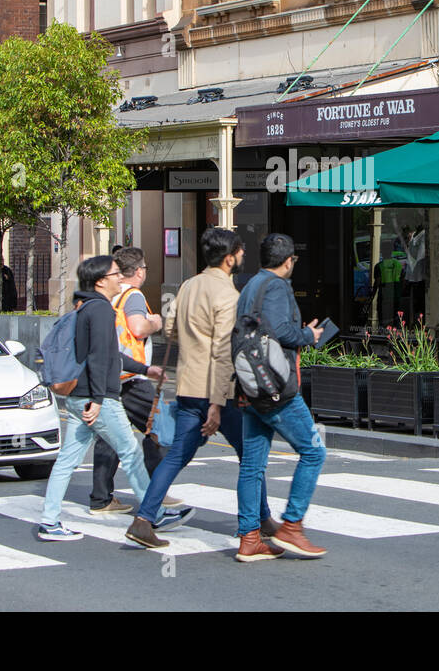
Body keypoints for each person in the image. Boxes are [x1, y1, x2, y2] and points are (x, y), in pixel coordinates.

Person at [125, 228, 275, 549]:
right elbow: (224, 352)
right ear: (229, 256)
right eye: (239, 251)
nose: (242, 256)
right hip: (218, 392)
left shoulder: (188, 285)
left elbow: (169, 330)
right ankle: (257, 522)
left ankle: (144, 518)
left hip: (188, 383)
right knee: (250, 455)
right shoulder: (229, 295)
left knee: (178, 454)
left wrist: (194, 342)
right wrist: (218, 405)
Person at [36, 255, 194, 541]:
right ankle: (154, 514)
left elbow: (110, 355)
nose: (120, 278)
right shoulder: (100, 310)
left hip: (78, 395)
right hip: (98, 398)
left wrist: (145, 369)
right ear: (100, 281)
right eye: (115, 274)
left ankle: (49, 521)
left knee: (67, 460)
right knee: (131, 454)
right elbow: (99, 358)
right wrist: (98, 399)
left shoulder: (86, 307)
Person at [234, 233, 328, 562]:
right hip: (275, 388)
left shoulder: (250, 286)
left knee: (252, 466)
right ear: (288, 261)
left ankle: (249, 538)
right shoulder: (276, 287)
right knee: (314, 451)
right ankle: (292, 525)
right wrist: (309, 335)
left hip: (251, 385)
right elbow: (279, 332)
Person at [88, 246, 180, 514]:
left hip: (109, 376)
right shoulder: (133, 295)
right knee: (160, 428)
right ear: (139, 271)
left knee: (110, 437)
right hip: (132, 377)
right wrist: (156, 322)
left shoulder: (111, 297)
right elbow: (138, 327)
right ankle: (157, 491)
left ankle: (101, 498)